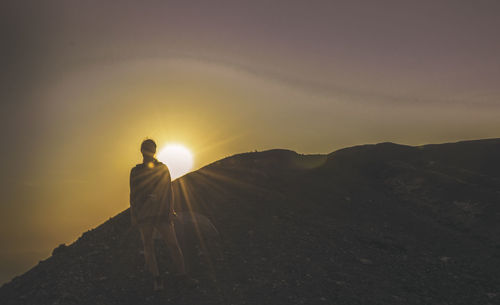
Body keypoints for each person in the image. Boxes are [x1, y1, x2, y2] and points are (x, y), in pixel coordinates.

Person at [129, 139, 187, 291]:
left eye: (151, 148)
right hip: (144, 213)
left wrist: (170, 210)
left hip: (161, 212)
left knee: (173, 244)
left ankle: (182, 276)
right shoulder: (136, 171)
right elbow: (133, 194)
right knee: (148, 246)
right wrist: (134, 215)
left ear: (154, 151)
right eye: (146, 148)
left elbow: (169, 189)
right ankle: (157, 279)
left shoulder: (162, 168)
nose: (149, 151)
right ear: (142, 151)